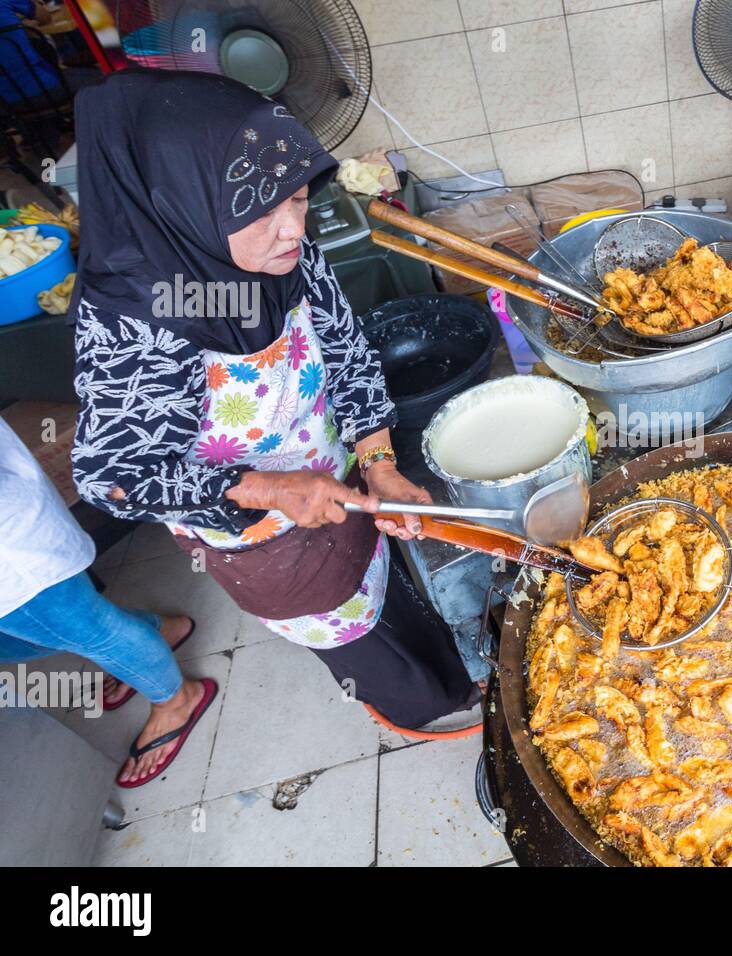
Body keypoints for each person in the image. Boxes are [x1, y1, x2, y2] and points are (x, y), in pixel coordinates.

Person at [70, 69, 477, 733]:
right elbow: (115, 476)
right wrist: (271, 489)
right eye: (264, 213)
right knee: (362, 647)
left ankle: (450, 679)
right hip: (263, 540)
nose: (293, 228)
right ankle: (421, 712)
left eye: (298, 200)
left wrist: (377, 459)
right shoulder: (137, 319)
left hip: (339, 483)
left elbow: (346, 349)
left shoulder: (286, 257)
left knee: (391, 591)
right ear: (184, 204)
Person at [0, 418, 215, 787]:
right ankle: (157, 633)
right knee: (42, 635)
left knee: (89, 631)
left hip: (11, 551)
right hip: (14, 534)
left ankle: (177, 700)